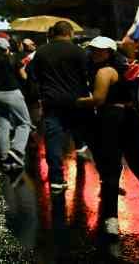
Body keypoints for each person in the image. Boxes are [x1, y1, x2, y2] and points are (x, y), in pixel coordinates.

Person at [76, 36, 139, 238]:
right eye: (93, 49)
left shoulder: (105, 71)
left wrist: (75, 102)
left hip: (110, 120)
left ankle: (111, 219)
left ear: (110, 52)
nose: (95, 53)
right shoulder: (129, 69)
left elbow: (98, 99)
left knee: (111, 170)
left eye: (100, 50)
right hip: (132, 119)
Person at [26, 21, 91, 192]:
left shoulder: (41, 52)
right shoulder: (78, 51)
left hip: (51, 102)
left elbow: (32, 75)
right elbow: (88, 73)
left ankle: (56, 180)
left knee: (53, 141)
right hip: (77, 101)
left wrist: (39, 95)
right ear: (69, 33)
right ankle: (82, 147)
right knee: (81, 129)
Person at [0, 35, 31, 169]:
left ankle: (5, 159)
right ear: (6, 49)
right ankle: (17, 150)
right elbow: (23, 76)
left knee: (1, 126)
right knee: (24, 123)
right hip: (12, 93)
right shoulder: (12, 59)